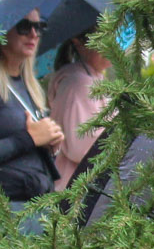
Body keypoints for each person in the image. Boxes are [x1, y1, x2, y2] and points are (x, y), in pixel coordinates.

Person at [0, 9, 62, 202]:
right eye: (24, 26)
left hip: (38, 203)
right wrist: (29, 138)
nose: (33, 34)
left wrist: (49, 141)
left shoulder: (30, 87)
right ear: (3, 29)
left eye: (39, 27)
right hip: (3, 207)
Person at [47, 30, 110, 189]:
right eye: (103, 36)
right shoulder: (78, 84)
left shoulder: (93, 78)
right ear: (78, 42)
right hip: (78, 192)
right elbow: (82, 147)